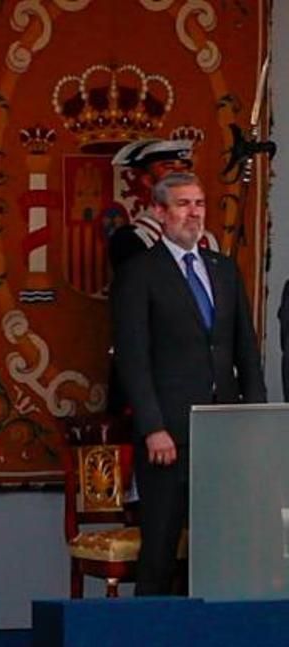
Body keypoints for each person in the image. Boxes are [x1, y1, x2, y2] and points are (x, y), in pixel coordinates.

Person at [110, 172, 267, 595]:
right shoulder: (140, 272)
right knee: (160, 548)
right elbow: (133, 358)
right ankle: (149, 643)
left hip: (224, 434)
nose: (193, 213)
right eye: (182, 204)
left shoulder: (223, 269)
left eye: (198, 203)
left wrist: (254, 420)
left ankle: (214, 644)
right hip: (169, 436)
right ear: (160, 212)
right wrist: (152, 427)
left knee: (224, 545)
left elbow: (246, 354)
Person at [107, 138, 213, 269]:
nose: (179, 174)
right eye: (170, 168)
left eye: (184, 168)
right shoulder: (132, 239)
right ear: (148, 181)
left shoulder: (208, 239)